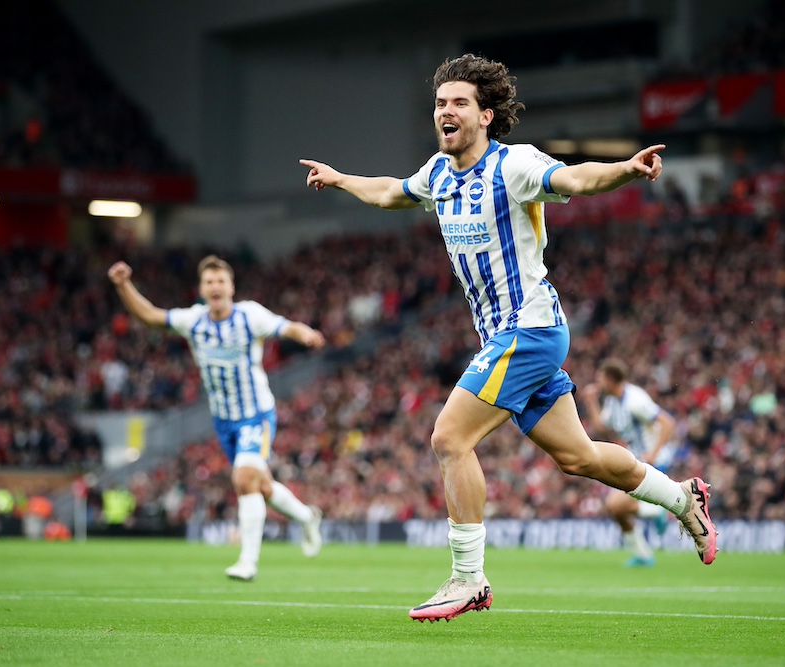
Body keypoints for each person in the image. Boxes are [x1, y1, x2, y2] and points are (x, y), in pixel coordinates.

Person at [301, 53, 717, 623]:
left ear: (486, 115)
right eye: (440, 103)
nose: (446, 112)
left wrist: (624, 167)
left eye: (459, 104)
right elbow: (392, 192)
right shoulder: (438, 174)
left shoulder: (514, 164)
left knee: (449, 439)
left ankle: (468, 579)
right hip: (510, 335)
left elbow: (572, 178)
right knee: (579, 456)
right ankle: (682, 497)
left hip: (531, 326)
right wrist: (342, 178)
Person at [108, 255, 325, 581]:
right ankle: (307, 517)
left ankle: (248, 563)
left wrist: (304, 334)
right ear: (202, 289)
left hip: (256, 414)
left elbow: (285, 326)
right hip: (224, 421)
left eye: (221, 281)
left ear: (231, 287)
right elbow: (150, 316)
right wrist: (123, 285)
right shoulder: (193, 320)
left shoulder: (249, 315)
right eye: (209, 282)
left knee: (243, 479)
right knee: (261, 485)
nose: (215, 287)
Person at [583, 358, 676, 568]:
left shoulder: (635, 400)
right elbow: (601, 426)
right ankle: (643, 553)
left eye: (601, 377)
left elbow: (667, 423)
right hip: (634, 461)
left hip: (653, 462)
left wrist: (654, 452)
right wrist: (590, 401)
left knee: (615, 504)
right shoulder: (613, 400)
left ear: (610, 379)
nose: (598, 382)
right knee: (617, 509)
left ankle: (658, 511)